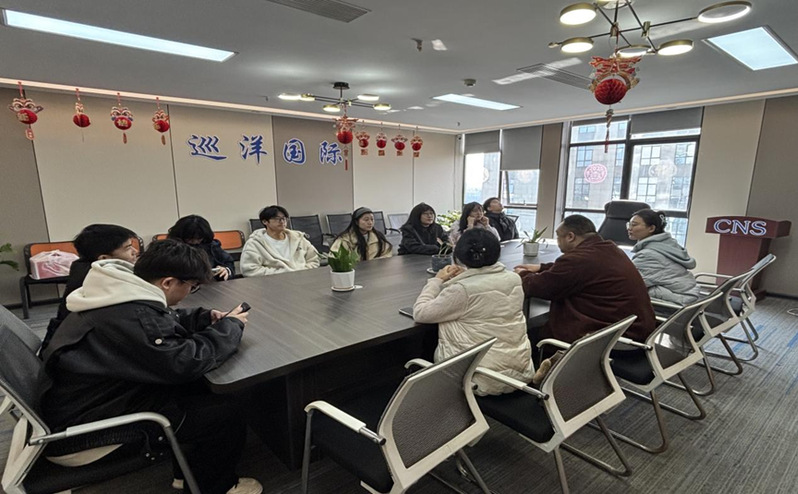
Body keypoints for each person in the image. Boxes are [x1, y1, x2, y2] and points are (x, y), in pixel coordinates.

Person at [39, 240, 261, 494]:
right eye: (192, 287)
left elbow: (161, 321)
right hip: (87, 434)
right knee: (225, 412)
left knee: (201, 390)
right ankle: (217, 487)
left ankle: (188, 473)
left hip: (87, 405)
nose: (191, 292)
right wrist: (230, 327)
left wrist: (203, 317)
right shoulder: (135, 315)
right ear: (168, 283)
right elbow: (186, 362)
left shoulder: (116, 293)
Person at [413, 228, 535, 395]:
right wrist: (468, 274)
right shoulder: (513, 278)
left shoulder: (462, 290)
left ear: (459, 256)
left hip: (478, 379)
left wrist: (436, 280)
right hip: (519, 373)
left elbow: (420, 313)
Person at [514, 214, 656, 345]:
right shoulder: (609, 248)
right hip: (633, 330)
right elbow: (582, 270)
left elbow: (538, 287)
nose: (557, 241)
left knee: (523, 336)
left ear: (570, 236)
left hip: (610, 338)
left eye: (558, 236)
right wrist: (542, 267)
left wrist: (521, 274)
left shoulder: (577, 260)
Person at [43, 224, 139, 351]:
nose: (135, 251)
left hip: (63, 344)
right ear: (104, 258)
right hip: (73, 350)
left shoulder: (82, 267)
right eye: (128, 248)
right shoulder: (101, 280)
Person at [627, 209, 702, 305]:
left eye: (634, 225)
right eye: (629, 224)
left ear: (651, 228)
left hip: (677, 303)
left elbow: (631, 283)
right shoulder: (668, 245)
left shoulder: (649, 255)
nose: (629, 228)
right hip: (689, 294)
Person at [240, 205, 320, 276]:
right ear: (265, 221)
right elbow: (250, 270)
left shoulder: (298, 238)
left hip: (303, 279)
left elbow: (314, 259)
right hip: (273, 282)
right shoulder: (254, 243)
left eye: (284, 218)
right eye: (277, 219)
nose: (282, 222)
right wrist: (283, 274)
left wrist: (302, 272)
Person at [167, 214, 235, 281]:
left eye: (199, 238)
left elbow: (228, 262)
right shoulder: (171, 249)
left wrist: (226, 270)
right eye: (190, 239)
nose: (195, 242)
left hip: (210, 284)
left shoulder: (211, 246)